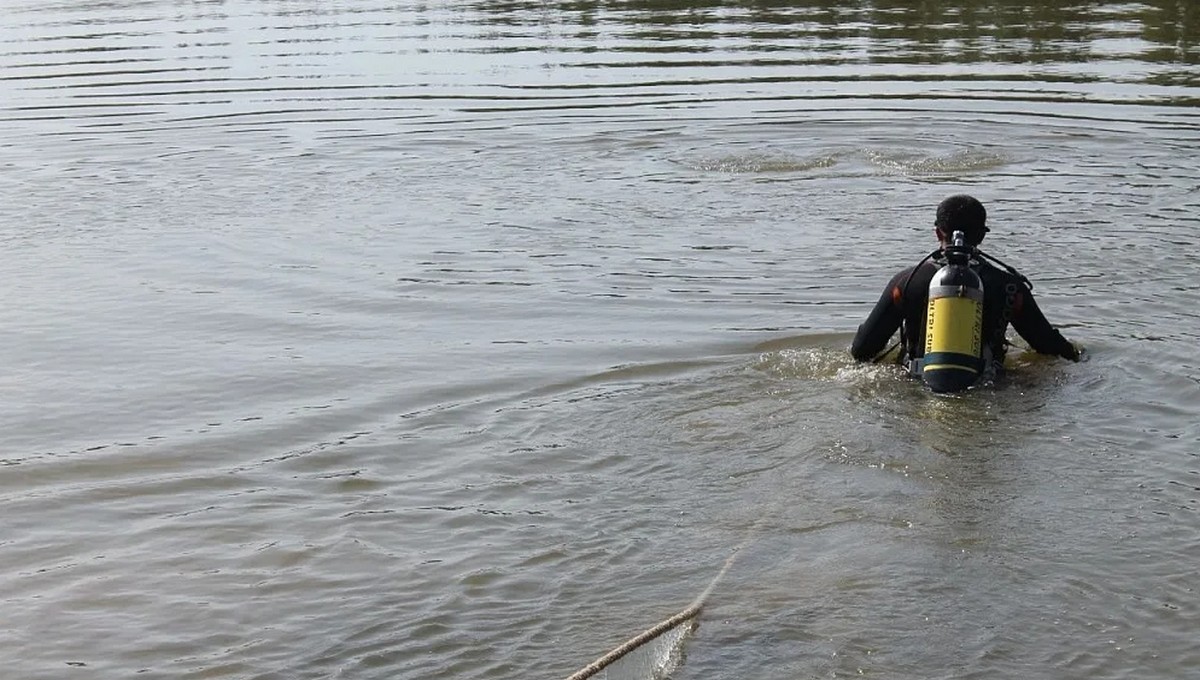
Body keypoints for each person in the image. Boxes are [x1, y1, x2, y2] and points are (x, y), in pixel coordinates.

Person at [850, 195, 1079, 382]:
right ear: (981, 236)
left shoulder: (905, 283)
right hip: (986, 388)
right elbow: (1051, 348)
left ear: (938, 232)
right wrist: (1082, 353)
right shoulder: (1010, 288)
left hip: (917, 388)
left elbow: (862, 350)